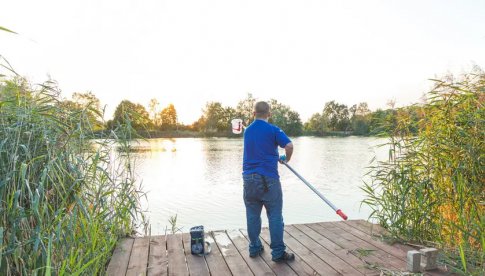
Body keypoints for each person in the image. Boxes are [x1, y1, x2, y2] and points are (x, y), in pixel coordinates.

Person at [242, 101, 295, 262]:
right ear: (269, 114)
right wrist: (286, 158)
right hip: (268, 179)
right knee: (275, 216)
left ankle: (254, 247)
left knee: (252, 215)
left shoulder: (247, 131)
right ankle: (278, 253)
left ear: (253, 114)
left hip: (248, 179)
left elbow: (259, 149)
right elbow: (289, 145)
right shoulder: (273, 129)